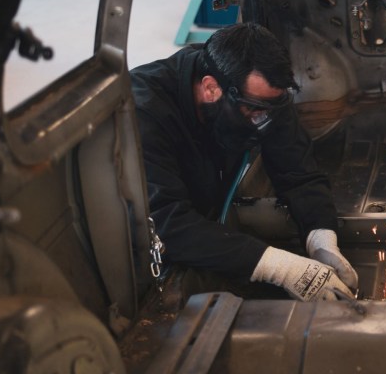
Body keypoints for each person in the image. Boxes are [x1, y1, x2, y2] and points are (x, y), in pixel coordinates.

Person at [130, 23, 357, 301]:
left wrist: (321, 237)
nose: (263, 119)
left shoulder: (264, 97)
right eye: (253, 109)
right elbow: (166, 224)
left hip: (210, 226)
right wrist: (279, 268)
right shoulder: (143, 113)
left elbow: (298, 171)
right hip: (154, 254)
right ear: (211, 88)